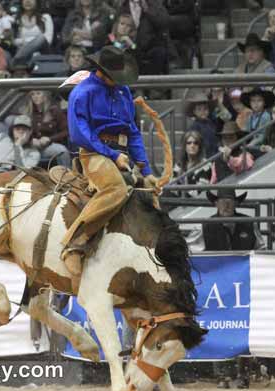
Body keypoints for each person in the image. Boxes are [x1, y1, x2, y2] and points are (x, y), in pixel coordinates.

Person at [60, 46, 158, 285]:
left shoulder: (123, 91)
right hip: (94, 153)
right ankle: (74, 242)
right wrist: (112, 155)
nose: (120, 79)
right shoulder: (83, 93)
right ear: (103, 72)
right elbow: (79, 133)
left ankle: (150, 254)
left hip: (121, 152)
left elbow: (133, 132)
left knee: (151, 197)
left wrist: (146, 171)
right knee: (116, 188)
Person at [201, 188, 265, 389]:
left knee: (242, 324)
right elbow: (197, 252)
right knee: (219, 323)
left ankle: (243, 373)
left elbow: (261, 247)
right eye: (222, 201)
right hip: (219, 283)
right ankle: (223, 374)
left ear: (235, 203)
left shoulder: (247, 222)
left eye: (229, 201)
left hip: (243, 281)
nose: (226, 205)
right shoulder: (207, 225)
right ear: (216, 204)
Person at [22, 90, 71, 168]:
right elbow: (19, 132)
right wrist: (30, 140)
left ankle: (67, 175)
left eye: (38, 93)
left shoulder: (54, 111)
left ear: (45, 96)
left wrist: (50, 139)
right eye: (32, 94)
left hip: (48, 146)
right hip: (30, 146)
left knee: (62, 151)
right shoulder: (26, 112)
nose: (35, 97)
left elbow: (66, 131)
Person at [11, 0, 54, 68]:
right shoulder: (15, 18)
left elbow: (48, 40)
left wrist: (24, 41)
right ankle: (19, 60)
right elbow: (13, 41)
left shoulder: (45, 17)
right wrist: (32, 42)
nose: (28, 1)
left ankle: (16, 60)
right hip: (21, 51)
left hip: (41, 52)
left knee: (41, 38)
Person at [173, 130, 211, 198]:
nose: (192, 146)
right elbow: (172, 187)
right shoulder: (179, 164)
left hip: (195, 204)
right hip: (178, 201)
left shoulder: (206, 165)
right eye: (189, 143)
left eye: (196, 143)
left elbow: (199, 192)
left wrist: (182, 190)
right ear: (185, 146)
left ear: (200, 147)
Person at [185, 91, 219, 158]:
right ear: (194, 112)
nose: (202, 112)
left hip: (214, 155)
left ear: (209, 110)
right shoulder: (194, 126)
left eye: (205, 109)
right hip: (202, 157)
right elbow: (194, 144)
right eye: (199, 109)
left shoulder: (211, 124)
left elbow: (215, 140)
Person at [240, 88, 274, 154]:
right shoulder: (250, 117)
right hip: (251, 143)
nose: (256, 103)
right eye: (253, 101)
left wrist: (251, 144)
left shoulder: (266, 116)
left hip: (262, 145)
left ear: (264, 102)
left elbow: (263, 135)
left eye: (259, 100)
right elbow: (247, 132)